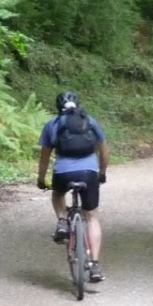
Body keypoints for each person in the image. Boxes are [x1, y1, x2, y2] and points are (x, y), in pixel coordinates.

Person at [36, 90, 108, 282]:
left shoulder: (52, 124)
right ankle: (94, 265)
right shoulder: (90, 121)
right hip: (89, 173)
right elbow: (103, 152)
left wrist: (41, 179)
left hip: (63, 173)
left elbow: (44, 158)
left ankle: (62, 222)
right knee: (91, 217)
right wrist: (101, 173)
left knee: (58, 193)